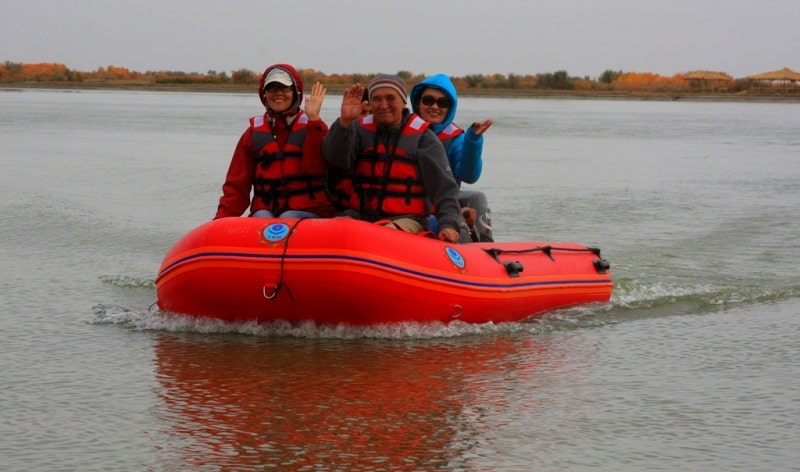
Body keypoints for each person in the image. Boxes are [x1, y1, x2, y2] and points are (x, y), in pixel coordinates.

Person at [323, 74, 466, 243]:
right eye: (376, 99)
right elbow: (336, 160)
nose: (384, 105)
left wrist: (449, 224)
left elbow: (444, 188)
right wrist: (344, 123)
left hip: (407, 218)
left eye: (390, 98)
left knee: (385, 234)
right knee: (331, 231)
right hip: (360, 215)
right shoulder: (358, 130)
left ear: (403, 101)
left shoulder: (424, 138)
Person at [214, 63, 335, 219]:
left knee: (289, 216)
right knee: (262, 215)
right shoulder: (252, 134)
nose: (278, 93)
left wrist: (313, 121)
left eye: (284, 88)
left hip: (312, 212)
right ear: (264, 94)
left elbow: (316, 168)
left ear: (295, 92)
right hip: (266, 212)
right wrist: (220, 220)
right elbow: (236, 186)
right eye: (272, 88)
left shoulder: (316, 127)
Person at [410, 73, 494, 241]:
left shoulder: (455, 139)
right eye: (428, 100)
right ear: (418, 103)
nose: (434, 106)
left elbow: (469, 175)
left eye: (442, 103)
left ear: (450, 108)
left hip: (440, 212)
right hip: (402, 209)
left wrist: (473, 141)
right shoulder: (402, 131)